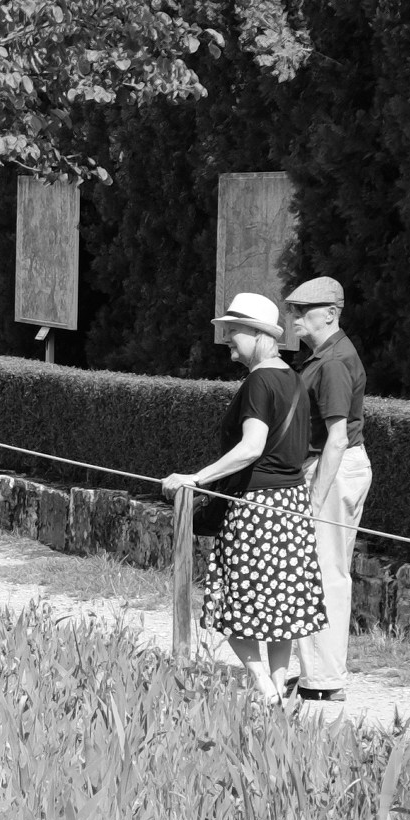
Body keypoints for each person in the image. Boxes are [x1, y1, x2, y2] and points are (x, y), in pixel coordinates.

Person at [164, 291, 332, 707]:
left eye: (234, 333)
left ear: (259, 335)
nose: (229, 345)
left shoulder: (259, 381)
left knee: (233, 605)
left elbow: (252, 446)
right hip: (291, 507)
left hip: (256, 509)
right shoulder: (293, 377)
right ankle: (277, 692)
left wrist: (196, 477)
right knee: (280, 612)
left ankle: (263, 686)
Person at [286, 274, 372, 702]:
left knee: (326, 573)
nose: (294, 317)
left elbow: (337, 437)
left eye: (303, 310)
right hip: (327, 467)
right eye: (292, 310)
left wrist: (314, 499)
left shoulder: (334, 361)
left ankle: (325, 680)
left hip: (333, 469)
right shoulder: (325, 355)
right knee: (314, 571)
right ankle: (313, 674)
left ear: (331, 314)